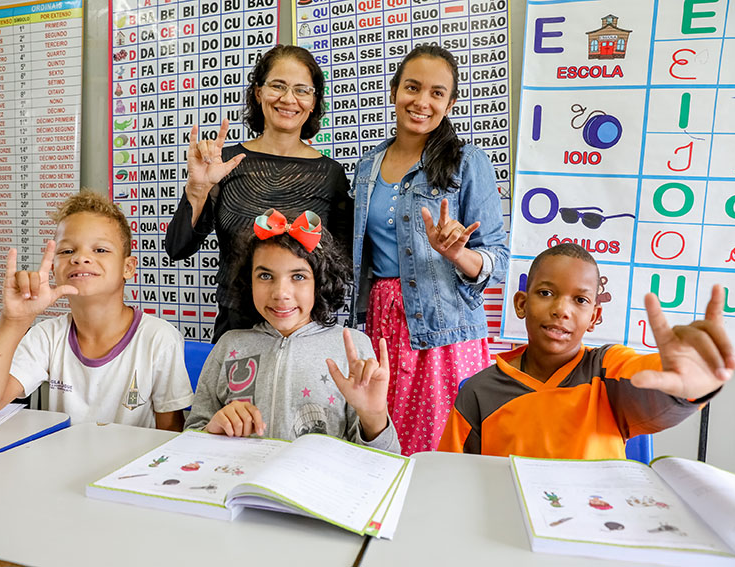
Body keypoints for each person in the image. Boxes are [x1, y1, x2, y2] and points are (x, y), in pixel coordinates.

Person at [349, 45, 508, 455]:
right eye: (412, 87)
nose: (422, 101)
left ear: (450, 104)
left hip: (444, 328)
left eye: (437, 93)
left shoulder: (467, 162)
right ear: (393, 91)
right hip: (382, 322)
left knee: (442, 450)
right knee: (381, 444)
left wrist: (457, 253)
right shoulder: (367, 167)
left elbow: (499, 259)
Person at [438, 243, 735, 458]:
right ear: (521, 304)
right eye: (546, 293)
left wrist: (689, 380)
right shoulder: (479, 392)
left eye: (580, 300)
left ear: (594, 317)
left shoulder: (607, 370)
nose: (561, 310)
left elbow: (652, 384)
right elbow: (451, 477)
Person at [0, 191, 193, 431]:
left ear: (128, 267)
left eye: (100, 250)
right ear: (54, 269)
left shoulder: (159, 339)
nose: (81, 258)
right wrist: (13, 321)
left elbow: (170, 435)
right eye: (67, 251)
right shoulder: (47, 336)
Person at [165, 44, 352, 343]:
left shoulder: (332, 175)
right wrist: (198, 189)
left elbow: (343, 267)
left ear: (313, 102)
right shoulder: (224, 163)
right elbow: (177, 248)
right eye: (278, 86)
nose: (288, 99)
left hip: (305, 334)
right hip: (236, 331)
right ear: (258, 92)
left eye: (302, 90)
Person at [185, 209, 400, 453]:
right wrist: (212, 429)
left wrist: (374, 418)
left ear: (320, 282)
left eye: (298, 276)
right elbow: (192, 434)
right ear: (248, 281)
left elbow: (386, 459)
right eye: (265, 275)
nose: (281, 293)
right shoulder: (229, 345)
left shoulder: (351, 347)